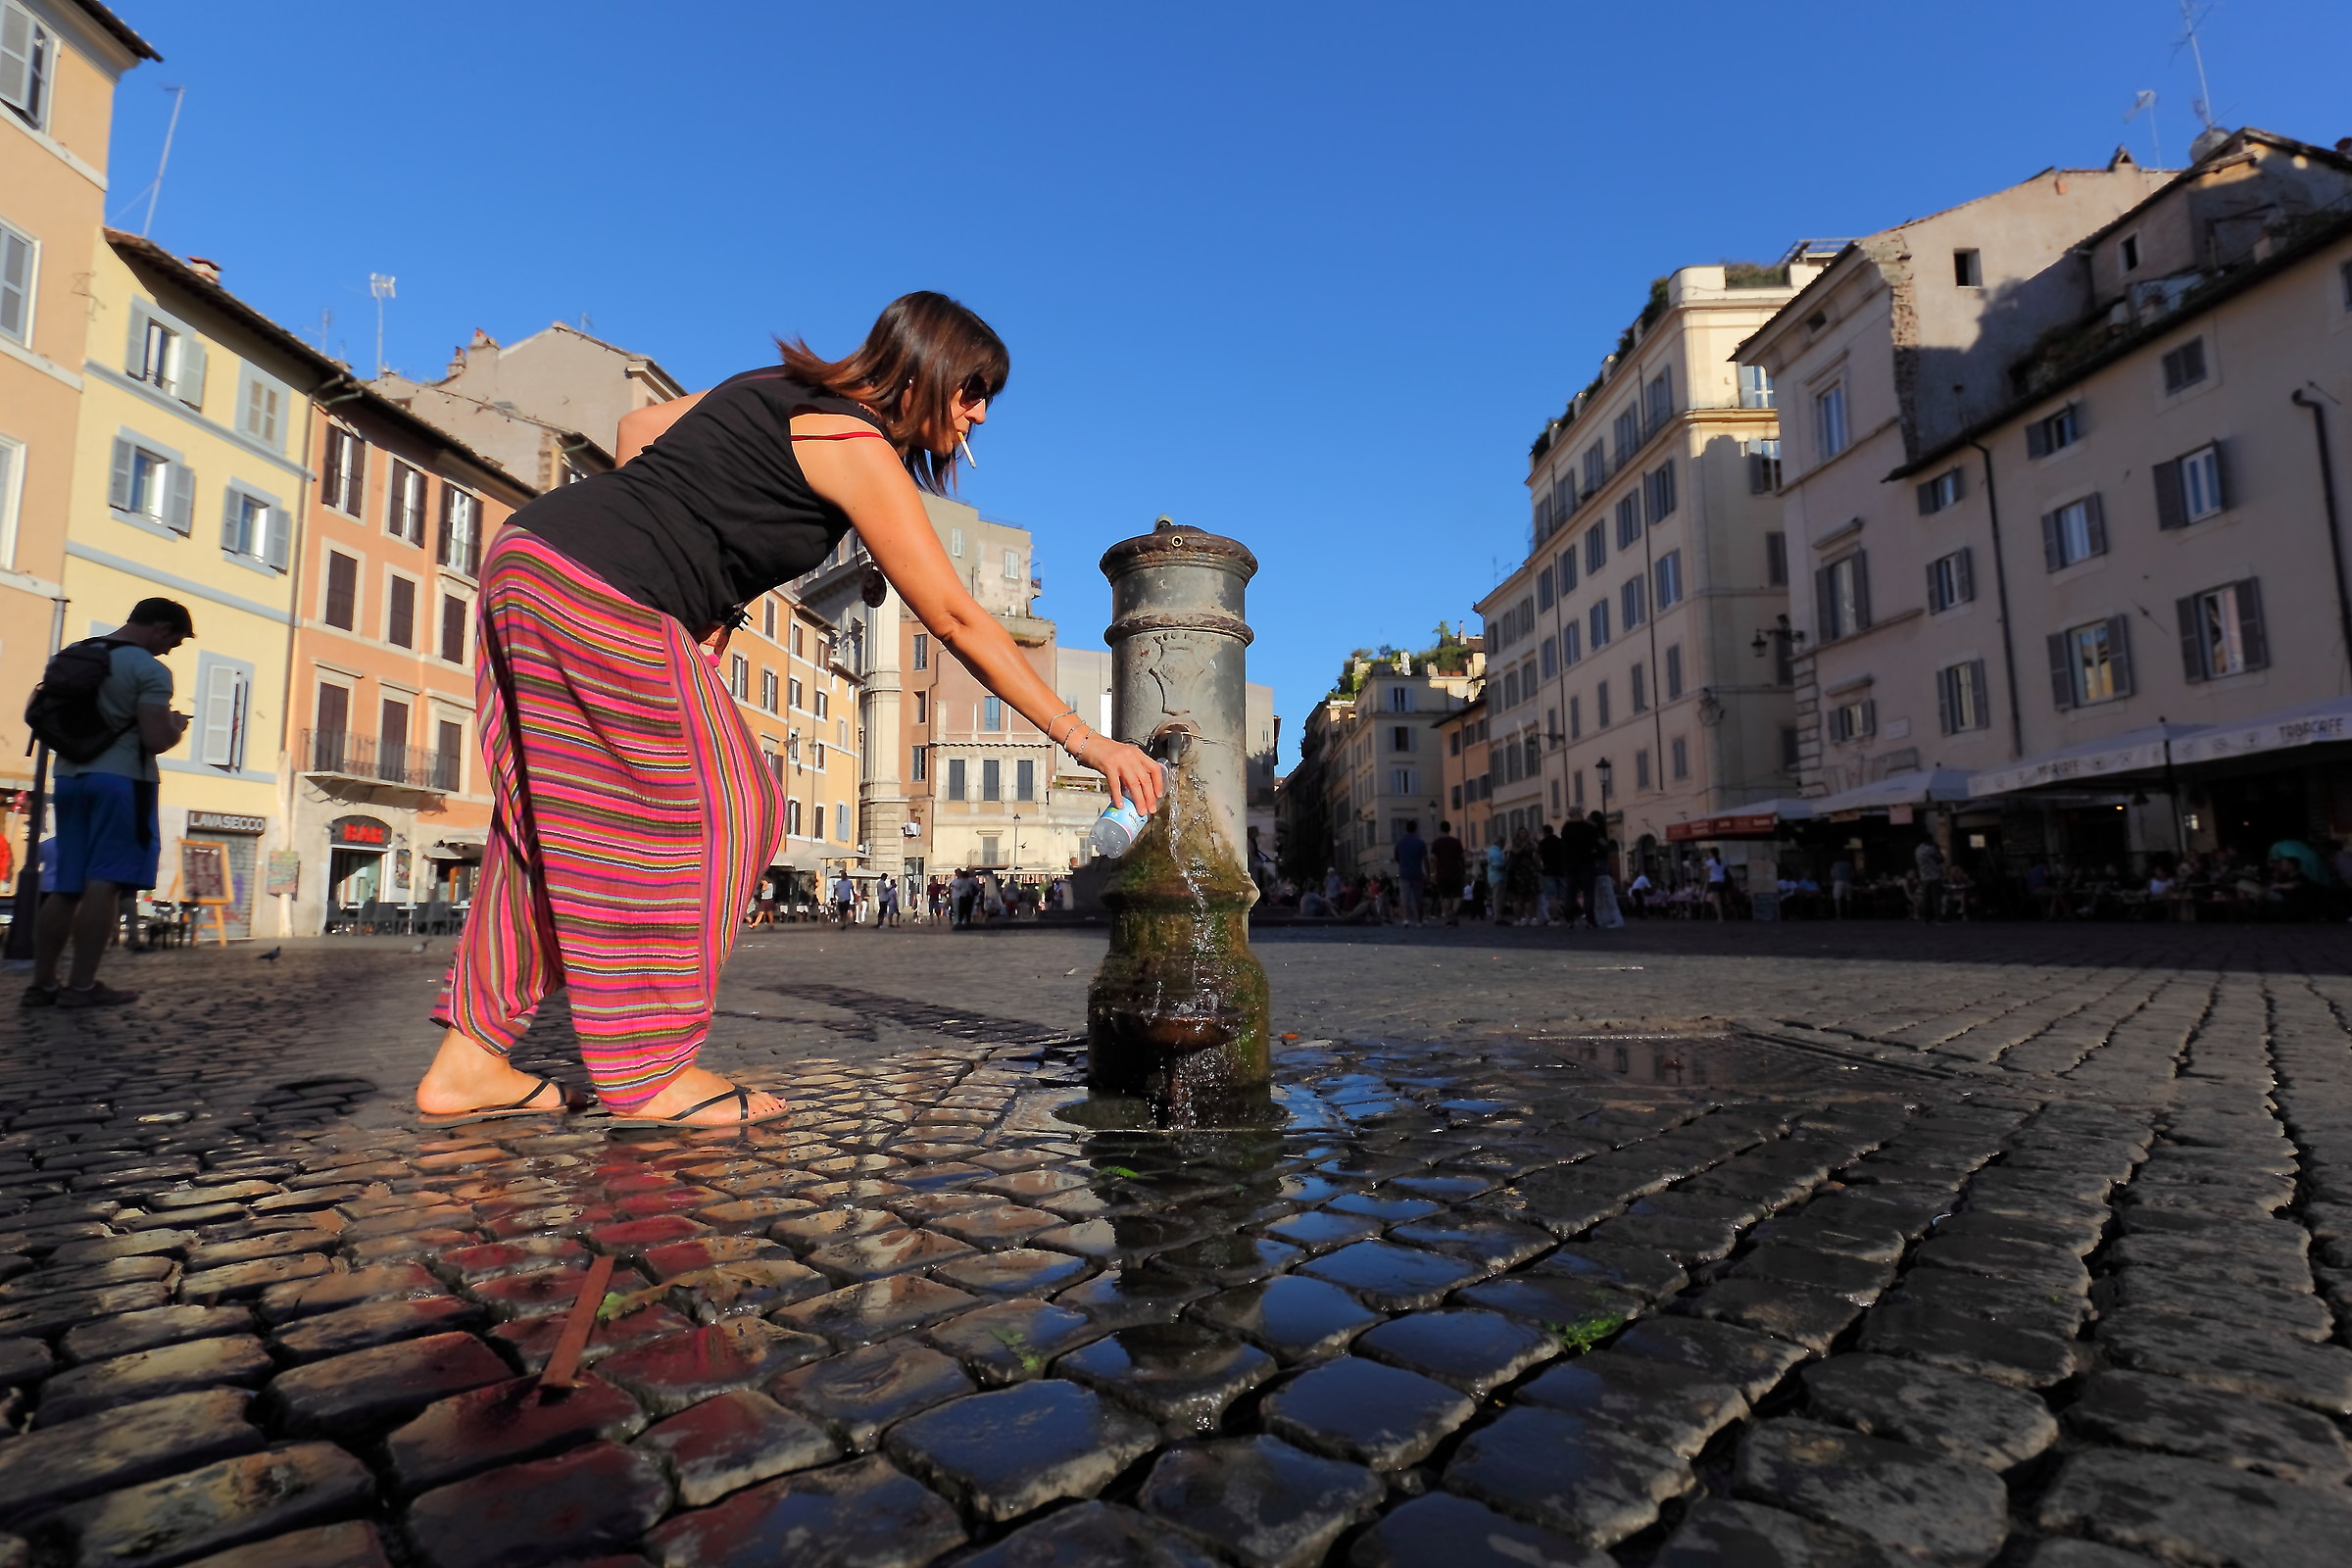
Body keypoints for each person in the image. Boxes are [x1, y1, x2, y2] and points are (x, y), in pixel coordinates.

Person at [414, 293, 1162, 1128]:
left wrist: (702, 587)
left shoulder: (770, 386)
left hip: (531, 555)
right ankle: (648, 1068)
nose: (980, 412)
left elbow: (637, 435)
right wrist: (1086, 742)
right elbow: (955, 618)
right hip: (608, 587)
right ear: (925, 367)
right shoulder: (855, 445)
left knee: (538, 828)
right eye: (972, 389)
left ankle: (469, 1059)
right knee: (735, 807)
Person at [25, 599, 194, 1008]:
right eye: (174, 638)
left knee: (66, 885)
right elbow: (155, 739)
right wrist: (175, 726)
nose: (172, 649)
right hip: (122, 780)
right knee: (104, 881)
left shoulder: (76, 654)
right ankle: (82, 986)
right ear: (158, 626)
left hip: (68, 777)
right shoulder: (149, 670)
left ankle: (43, 983)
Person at [1429, 821, 1466, 927]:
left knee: (1445, 896)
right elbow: (1463, 857)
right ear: (1450, 829)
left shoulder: (1436, 843)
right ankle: (1453, 913)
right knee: (1458, 895)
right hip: (1456, 872)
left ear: (1440, 829)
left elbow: (1432, 859)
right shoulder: (1456, 842)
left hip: (1442, 873)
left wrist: (1432, 874)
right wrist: (1463, 868)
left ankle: (1449, 918)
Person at [1393, 820, 1428, 926]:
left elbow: (1396, 858)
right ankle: (1419, 921)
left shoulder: (1400, 843)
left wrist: (1403, 863)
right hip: (1417, 872)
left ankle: (1405, 919)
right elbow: (1425, 859)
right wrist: (1429, 872)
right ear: (1415, 829)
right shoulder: (1420, 842)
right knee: (1418, 897)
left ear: (1406, 829)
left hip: (1404, 873)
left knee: (1404, 897)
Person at [1536, 823, 1570, 925]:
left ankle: (1555, 918)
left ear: (1544, 832)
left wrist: (1540, 867)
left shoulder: (1542, 843)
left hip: (1548, 871)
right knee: (1563, 896)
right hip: (1561, 870)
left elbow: (1537, 857)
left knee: (1552, 896)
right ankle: (1569, 916)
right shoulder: (1560, 841)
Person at [1914, 838, 1946, 923]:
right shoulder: (1931, 848)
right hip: (1934, 876)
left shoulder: (1918, 849)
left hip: (1924, 877)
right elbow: (1941, 859)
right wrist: (1938, 848)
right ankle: (1939, 918)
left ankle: (1926, 919)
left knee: (1926, 899)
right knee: (1936, 899)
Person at [1703, 851, 1728, 922]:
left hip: (1714, 881)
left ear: (1711, 853)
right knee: (1720, 899)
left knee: (1717, 900)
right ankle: (1721, 914)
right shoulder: (1722, 861)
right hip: (1722, 881)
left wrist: (1705, 879)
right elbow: (1724, 870)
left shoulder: (1710, 862)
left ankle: (1720, 917)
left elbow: (1706, 872)